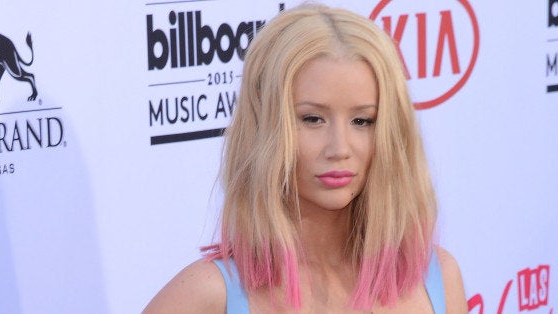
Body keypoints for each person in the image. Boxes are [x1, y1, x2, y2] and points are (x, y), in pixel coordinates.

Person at [144, 4, 467, 313]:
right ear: (264, 127)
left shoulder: (435, 278)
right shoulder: (207, 295)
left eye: (362, 121)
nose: (339, 148)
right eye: (312, 119)